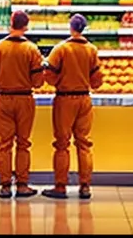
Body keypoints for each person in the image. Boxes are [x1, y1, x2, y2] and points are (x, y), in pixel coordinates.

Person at [42, 14, 103, 200]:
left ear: (71, 28)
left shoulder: (61, 49)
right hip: (85, 99)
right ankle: (85, 186)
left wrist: (62, 80)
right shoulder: (92, 50)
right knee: (84, 143)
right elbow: (97, 81)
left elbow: (48, 76)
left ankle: (60, 186)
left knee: (62, 144)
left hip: (65, 99)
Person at [0, 11, 44, 199]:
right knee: (23, 144)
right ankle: (22, 184)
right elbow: (38, 82)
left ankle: (5, 186)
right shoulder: (31, 49)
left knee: (4, 144)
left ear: (11, 24)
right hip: (24, 100)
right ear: (26, 26)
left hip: (3, 99)